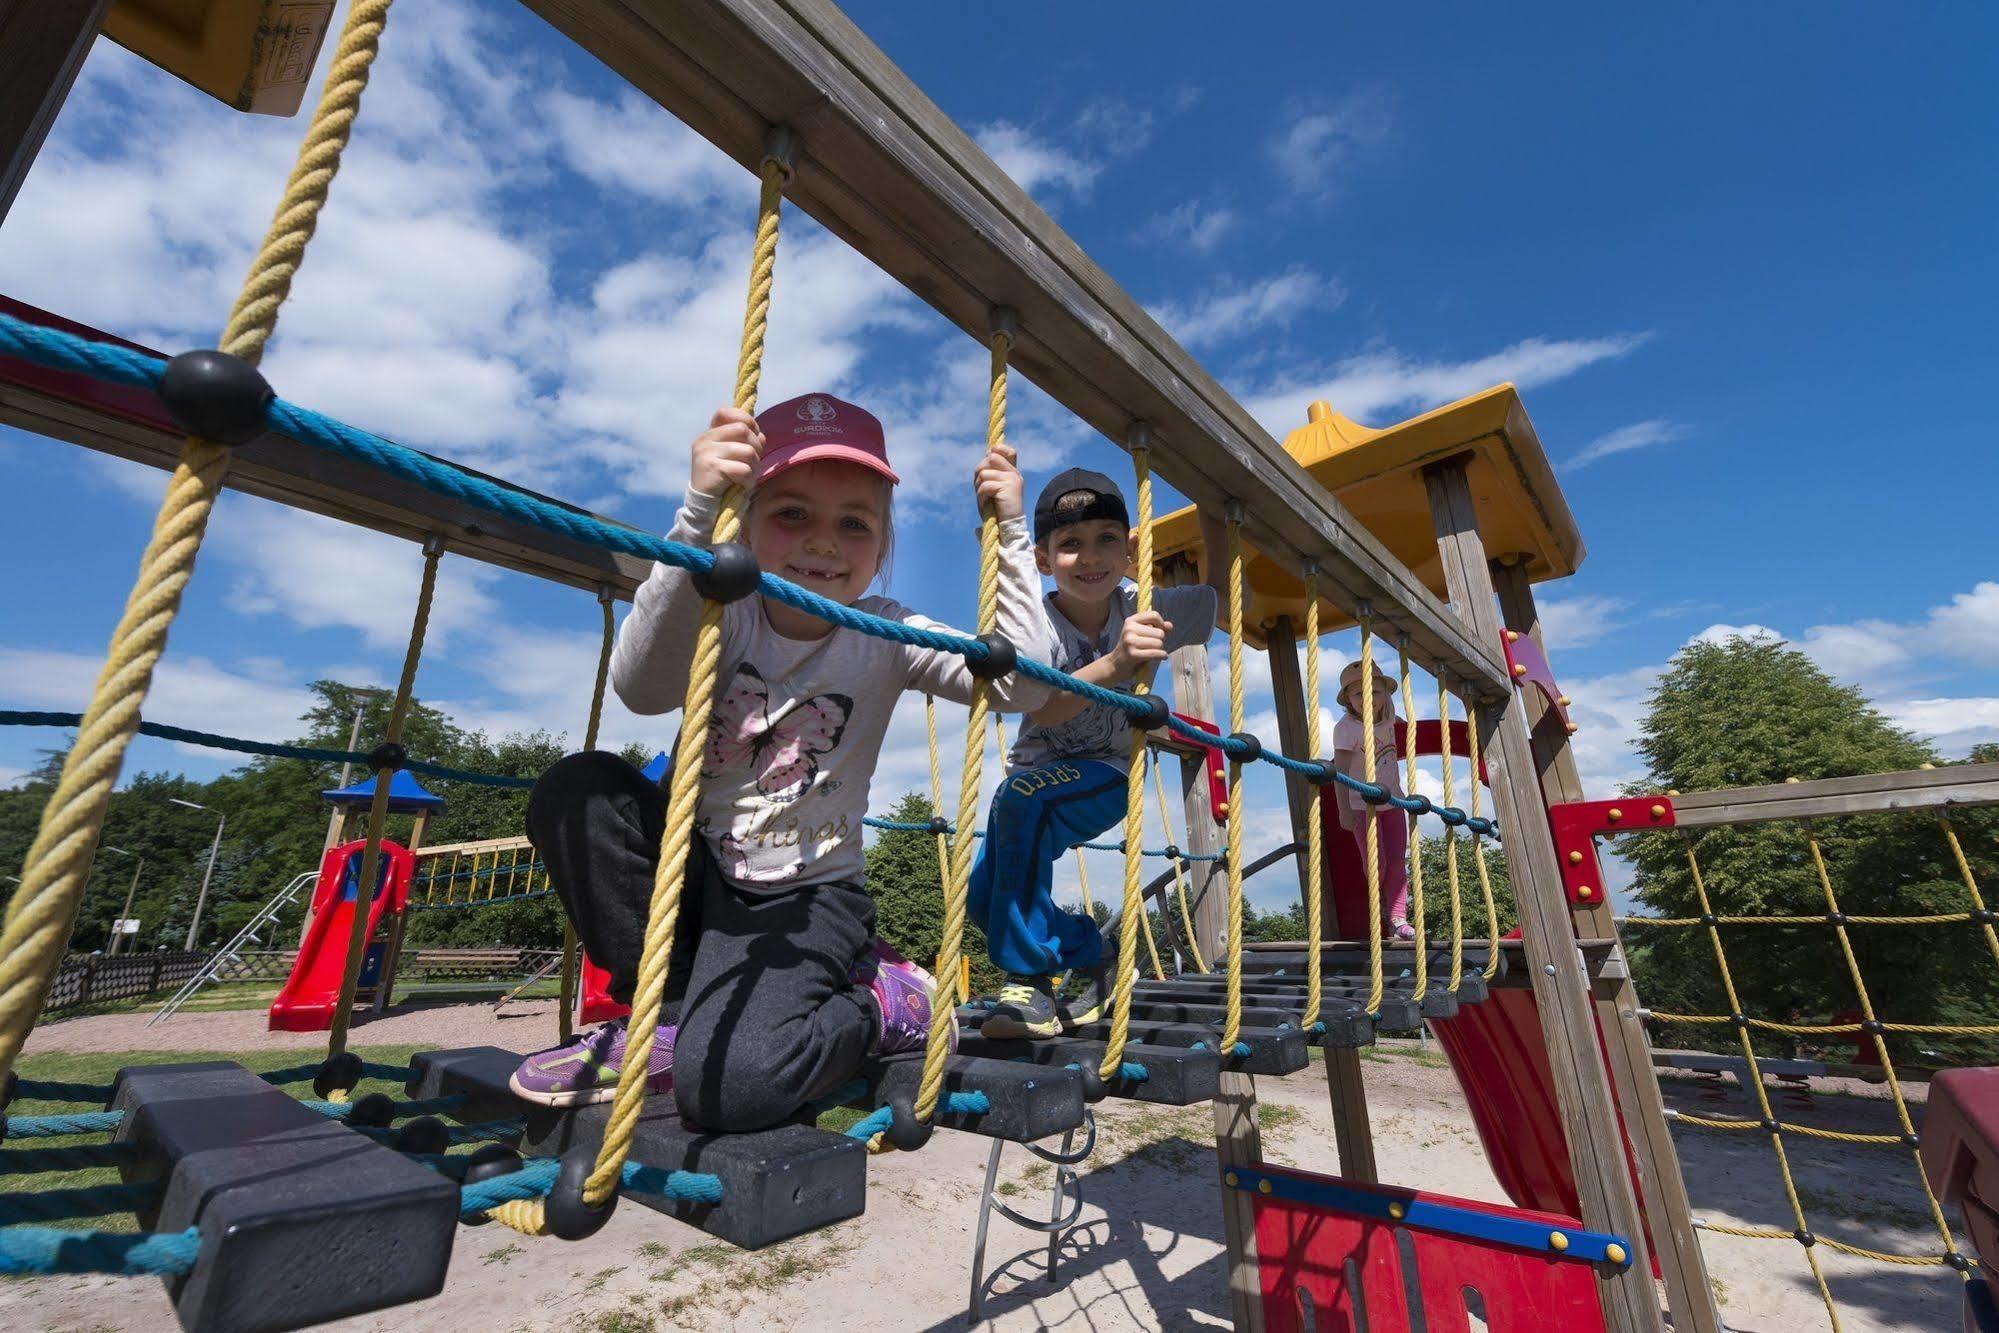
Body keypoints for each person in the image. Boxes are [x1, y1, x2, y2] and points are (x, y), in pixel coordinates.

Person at [509, 392, 1056, 1126]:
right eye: (792, 513)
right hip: (696, 871)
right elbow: (641, 687)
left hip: (803, 900)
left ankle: (884, 1004)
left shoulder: (887, 632)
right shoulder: (721, 606)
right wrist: (699, 510)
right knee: (577, 789)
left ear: (881, 546)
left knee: (736, 1086)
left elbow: (1020, 682)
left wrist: (1011, 528)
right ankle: (664, 1013)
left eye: (853, 523)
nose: (823, 541)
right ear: (746, 521)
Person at [975, 469, 1227, 1039]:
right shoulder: (1033, 623)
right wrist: (1116, 663)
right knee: (984, 899)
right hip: (1040, 773)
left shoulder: (1146, 606)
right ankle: (1093, 952)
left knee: (1020, 803)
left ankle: (1030, 986)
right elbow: (1041, 708)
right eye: (1070, 545)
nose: (1090, 557)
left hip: (1109, 772)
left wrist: (1214, 500)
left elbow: (1228, 602)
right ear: (1043, 559)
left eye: (1106, 539)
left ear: (1130, 548)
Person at [1331, 659, 1412, 939]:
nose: (1368, 698)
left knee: (1398, 860)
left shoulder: (1388, 715)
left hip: (1394, 802)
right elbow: (1339, 772)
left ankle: (1398, 917)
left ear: (1385, 694)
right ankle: (1381, 909)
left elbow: (1402, 725)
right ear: (1347, 700)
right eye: (1358, 694)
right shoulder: (1346, 729)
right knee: (1378, 864)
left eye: (1375, 691)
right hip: (1361, 806)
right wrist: (1344, 810)